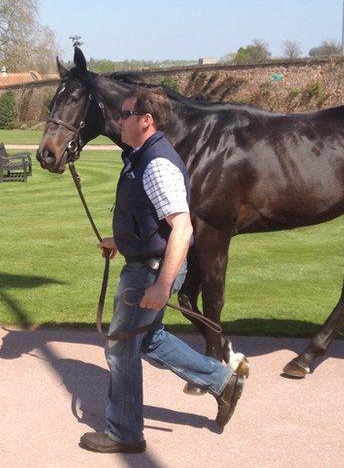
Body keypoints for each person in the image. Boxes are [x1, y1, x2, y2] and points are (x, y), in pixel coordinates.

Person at [79, 88, 247, 454]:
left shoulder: (155, 163)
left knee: (121, 346)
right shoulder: (140, 156)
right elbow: (153, 223)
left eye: (125, 115)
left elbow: (182, 228)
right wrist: (119, 241)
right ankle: (222, 380)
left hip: (150, 272)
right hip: (146, 263)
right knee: (150, 340)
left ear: (146, 120)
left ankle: (124, 433)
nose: (119, 120)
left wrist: (162, 284)